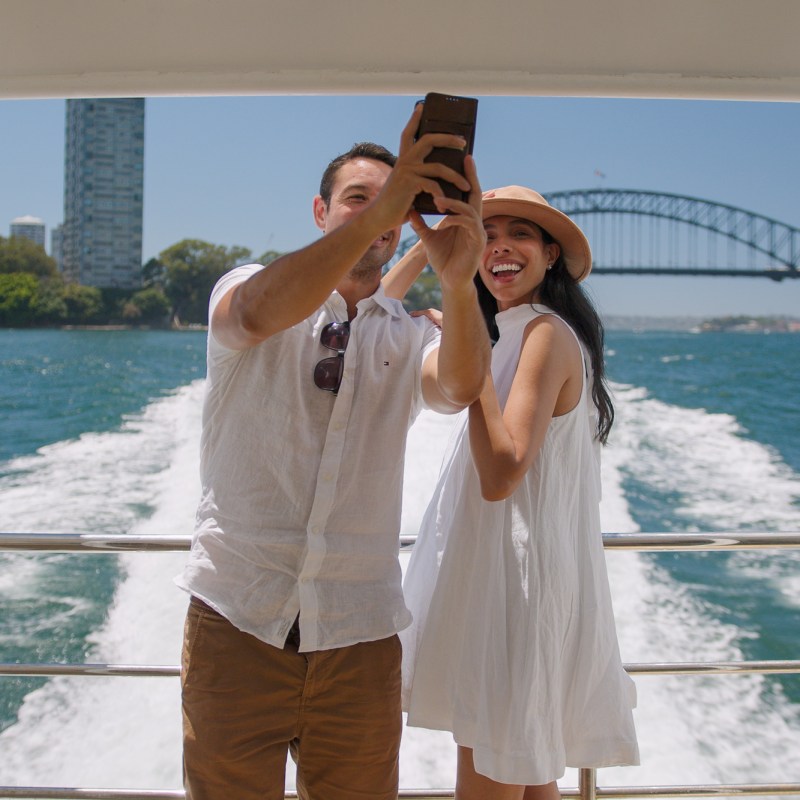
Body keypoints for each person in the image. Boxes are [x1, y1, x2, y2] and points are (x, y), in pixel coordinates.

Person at [175, 105, 491, 800]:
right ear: (321, 211)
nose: (377, 214)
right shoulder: (246, 287)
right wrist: (387, 203)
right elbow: (256, 314)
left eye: (394, 203)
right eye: (359, 199)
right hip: (239, 621)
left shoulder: (410, 335)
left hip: (359, 635)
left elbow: (462, 387)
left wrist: (461, 284)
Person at [386, 185, 639, 799]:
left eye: (519, 235)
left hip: (513, 594)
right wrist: (435, 250)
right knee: (529, 780)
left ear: (551, 255)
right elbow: (369, 308)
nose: (500, 247)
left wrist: (472, 355)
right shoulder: (515, 329)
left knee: (494, 775)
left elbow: (501, 475)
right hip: (505, 585)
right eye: (487, 235)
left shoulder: (542, 334)